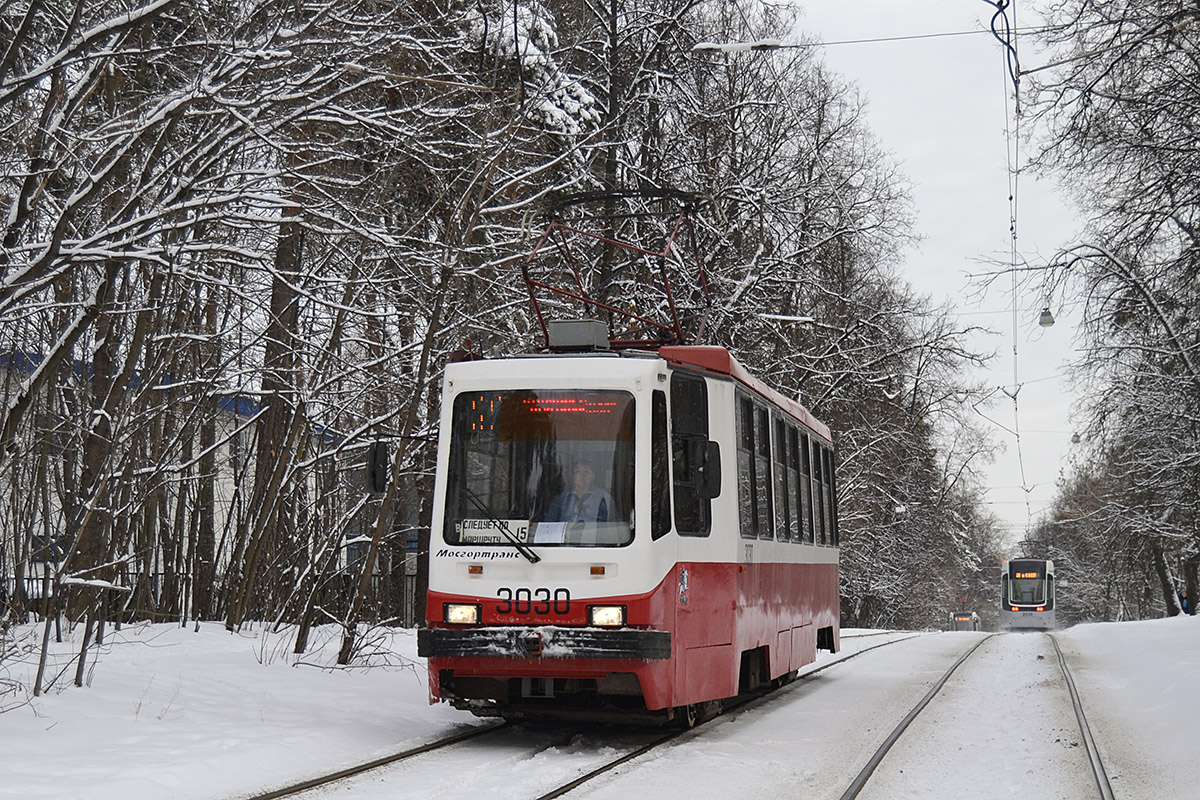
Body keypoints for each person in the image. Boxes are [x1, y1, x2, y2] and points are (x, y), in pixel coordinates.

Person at [547, 461, 613, 523]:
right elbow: (550, 522)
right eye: (578, 472)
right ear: (573, 476)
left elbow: (614, 523)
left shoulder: (603, 497)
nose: (583, 476)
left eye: (587, 472)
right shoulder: (561, 498)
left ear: (593, 476)